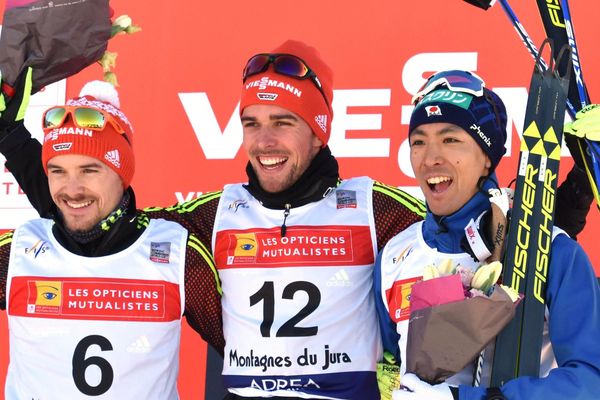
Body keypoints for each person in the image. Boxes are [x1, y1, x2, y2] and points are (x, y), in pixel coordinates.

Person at [0, 42, 593, 399]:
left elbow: (489, 240)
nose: (265, 141)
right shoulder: (211, 217)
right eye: (252, 122)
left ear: (319, 130)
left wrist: (568, 197)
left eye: (283, 121)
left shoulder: (373, 211)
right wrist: (19, 142)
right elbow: (98, 219)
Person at [375, 70, 600, 400]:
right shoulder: (396, 254)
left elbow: (590, 382)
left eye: (451, 140)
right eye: (418, 142)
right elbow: (387, 365)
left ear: (486, 158)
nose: (430, 158)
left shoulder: (551, 250)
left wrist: (465, 399)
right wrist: (389, 388)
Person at [0, 79, 224, 399]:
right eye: (57, 171)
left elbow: (250, 359)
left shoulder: (176, 251)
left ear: (122, 174)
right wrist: (10, 136)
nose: (72, 189)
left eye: (90, 170)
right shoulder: (16, 253)